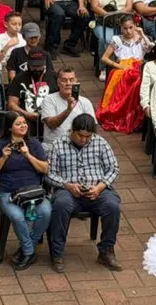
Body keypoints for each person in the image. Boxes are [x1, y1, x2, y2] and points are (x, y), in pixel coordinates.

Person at [46, 114, 121, 272]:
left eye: (88, 136)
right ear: (72, 130)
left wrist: (100, 187)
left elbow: (113, 169)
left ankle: (106, 250)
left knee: (112, 206)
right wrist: (67, 185)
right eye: (80, 135)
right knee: (60, 205)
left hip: (97, 189)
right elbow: (49, 174)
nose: (84, 140)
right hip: (68, 190)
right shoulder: (58, 145)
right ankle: (57, 253)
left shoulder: (100, 143)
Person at [0, 112, 51, 270]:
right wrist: (3, 158)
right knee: (17, 216)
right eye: (18, 124)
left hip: (33, 193)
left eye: (24, 123)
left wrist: (28, 155)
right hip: (9, 193)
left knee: (46, 211)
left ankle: (26, 248)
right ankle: (29, 251)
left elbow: (45, 169)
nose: (23, 126)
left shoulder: (33, 144)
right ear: (9, 128)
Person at [98, 16, 151, 134]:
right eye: (125, 28)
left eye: (131, 27)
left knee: (140, 80)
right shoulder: (117, 40)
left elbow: (150, 49)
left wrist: (142, 34)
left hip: (138, 67)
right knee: (128, 81)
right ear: (121, 28)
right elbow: (104, 58)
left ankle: (139, 116)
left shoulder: (141, 38)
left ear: (135, 26)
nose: (128, 31)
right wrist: (119, 66)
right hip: (122, 68)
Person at [89, 0, 134, 81]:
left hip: (122, 24)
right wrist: (108, 15)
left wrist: (118, 15)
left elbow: (129, 7)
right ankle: (103, 68)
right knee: (106, 39)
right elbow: (94, 7)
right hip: (103, 23)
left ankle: (125, 63)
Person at [40, 68, 97, 152]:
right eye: (64, 80)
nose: (68, 83)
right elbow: (51, 124)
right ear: (58, 83)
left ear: (76, 82)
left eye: (71, 80)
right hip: (53, 146)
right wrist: (68, 110)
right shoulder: (49, 99)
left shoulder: (85, 102)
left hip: (79, 146)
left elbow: (92, 128)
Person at [7, 47, 58, 122]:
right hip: (26, 120)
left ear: (44, 64)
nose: (37, 69)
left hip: (51, 118)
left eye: (39, 66)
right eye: (33, 66)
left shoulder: (55, 77)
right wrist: (26, 114)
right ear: (28, 64)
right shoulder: (19, 78)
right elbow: (11, 104)